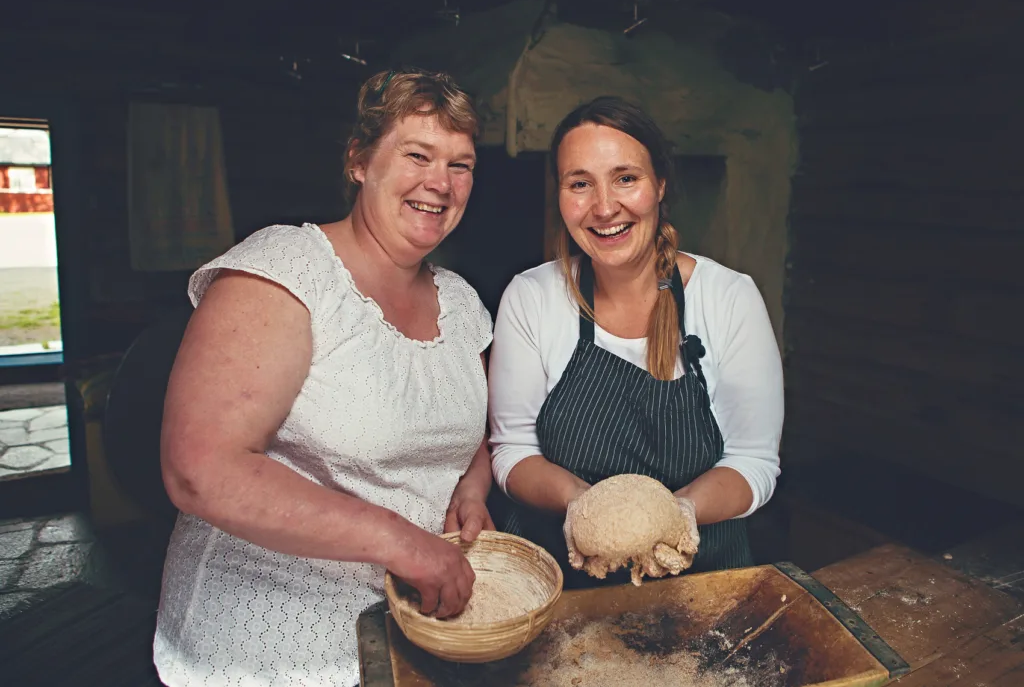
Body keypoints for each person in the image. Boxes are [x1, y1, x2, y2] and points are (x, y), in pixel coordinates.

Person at [153, 68, 495, 687]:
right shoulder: (286, 269)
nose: (439, 184)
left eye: (461, 164)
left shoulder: (463, 303)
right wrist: (400, 539)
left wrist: (470, 491)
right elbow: (199, 468)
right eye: (417, 155)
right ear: (359, 161)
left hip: (409, 634)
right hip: (264, 645)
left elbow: (469, 429)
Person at [487, 96, 784, 588]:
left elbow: (754, 461)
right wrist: (583, 506)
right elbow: (512, 451)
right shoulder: (532, 297)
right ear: (559, 196)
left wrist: (678, 515)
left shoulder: (729, 298)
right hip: (562, 586)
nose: (604, 207)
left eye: (626, 178)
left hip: (702, 584)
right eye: (580, 184)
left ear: (659, 184)